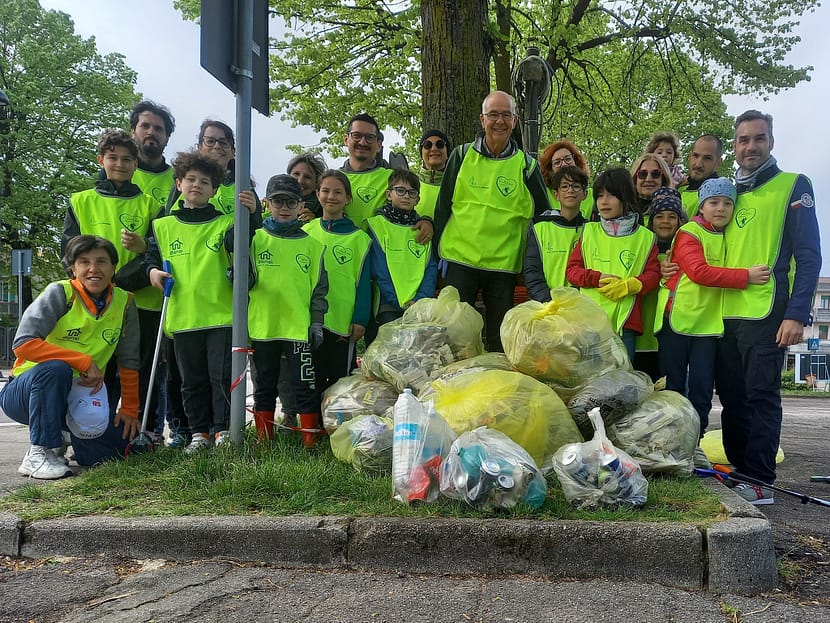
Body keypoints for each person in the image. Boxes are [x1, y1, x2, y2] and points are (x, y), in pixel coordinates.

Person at [713, 110, 821, 505]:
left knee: (762, 396)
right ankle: (740, 473)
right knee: (732, 399)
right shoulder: (726, 193)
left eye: (759, 139)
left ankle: (760, 480)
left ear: (771, 142)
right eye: (743, 140)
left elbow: (809, 257)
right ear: (735, 147)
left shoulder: (793, 186)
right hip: (724, 314)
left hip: (768, 314)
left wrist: (797, 314)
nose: (751, 147)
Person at [0, 235, 141, 478]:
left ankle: (68, 439)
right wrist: (82, 360)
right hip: (27, 391)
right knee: (56, 369)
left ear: (113, 267)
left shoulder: (125, 301)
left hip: (80, 397)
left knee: (118, 449)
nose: (93, 269)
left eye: (102, 261)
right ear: (73, 268)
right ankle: (40, 452)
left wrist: (129, 408)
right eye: (84, 262)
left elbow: (129, 360)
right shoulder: (59, 293)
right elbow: (23, 344)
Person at [655, 178, 771, 470]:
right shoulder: (689, 232)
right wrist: (745, 276)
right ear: (702, 206)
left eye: (727, 203)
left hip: (708, 326)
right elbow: (698, 272)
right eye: (714, 202)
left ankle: (693, 446)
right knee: (674, 389)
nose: (721, 208)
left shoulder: (729, 235)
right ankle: (668, 448)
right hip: (678, 319)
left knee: (702, 391)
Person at [145, 151, 257, 454]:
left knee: (220, 377)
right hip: (183, 316)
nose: (197, 185)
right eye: (190, 179)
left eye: (205, 181)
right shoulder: (163, 225)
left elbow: (244, 243)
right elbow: (151, 259)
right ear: (179, 183)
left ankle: (222, 430)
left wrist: (253, 213)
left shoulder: (226, 223)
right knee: (190, 381)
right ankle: (199, 434)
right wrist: (153, 272)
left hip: (220, 316)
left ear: (215, 189)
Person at [62, 129, 163, 440]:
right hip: (89, 304)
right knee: (94, 368)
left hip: (139, 302)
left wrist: (120, 279)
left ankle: (140, 431)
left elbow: (157, 254)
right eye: (113, 158)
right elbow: (67, 250)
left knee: (138, 370)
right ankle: (87, 430)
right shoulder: (81, 201)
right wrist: (96, 283)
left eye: (127, 159)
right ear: (100, 160)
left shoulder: (150, 206)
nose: (120, 164)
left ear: (136, 164)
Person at [434, 90, 550, 352]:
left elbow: (544, 219)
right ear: (482, 119)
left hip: (503, 265)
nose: (500, 121)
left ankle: (497, 390)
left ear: (515, 121)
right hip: (459, 258)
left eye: (506, 115)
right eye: (493, 115)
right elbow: (443, 207)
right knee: (454, 334)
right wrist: (435, 255)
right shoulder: (461, 155)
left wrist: (533, 265)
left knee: (500, 338)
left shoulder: (527, 166)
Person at [247, 174, 328, 442]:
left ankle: (309, 440)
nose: (284, 208)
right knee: (264, 386)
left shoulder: (314, 246)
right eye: (278, 201)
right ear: (267, 203)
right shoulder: (255, 239)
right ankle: (264, 439)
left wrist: (317, 322)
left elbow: (319, 290)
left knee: (305, 385)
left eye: (290, 202)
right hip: (263, 327)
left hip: (298, 328)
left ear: (300, 205)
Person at [565, 168, 661, 362]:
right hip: (589, 322)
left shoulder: (645, 237)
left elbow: (654, 274)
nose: (604, 201)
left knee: (622, 381)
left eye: (611, 195)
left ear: (625, 198)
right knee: (590, 383)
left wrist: (631, 285)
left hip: (625, 322)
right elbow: (572, 272)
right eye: (600, 195)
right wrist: (596, 278)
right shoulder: (589, 232)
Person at [303, 170, 372, 392]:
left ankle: (335, 425)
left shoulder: (360, 239)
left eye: (338, 192)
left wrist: (360, 319)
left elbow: (364, 283)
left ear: (348, 199)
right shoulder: (305, 232)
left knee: (339, 380)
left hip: (342, 321)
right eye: (325, 191)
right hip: (309, 319)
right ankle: (312, 425)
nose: (331, 196)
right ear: (317, 193)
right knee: (310, 376)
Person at [340, 113, 432, 243]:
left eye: (370, 137)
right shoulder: (333, 180)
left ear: (378, 145)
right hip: (342, 254)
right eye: (357, 136)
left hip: (383, 256)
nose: (362, 142)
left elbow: (411, 207)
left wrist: (426, 221)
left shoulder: (393, 177)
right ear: (346, 139)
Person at [366, 169, 438, 326]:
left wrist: (420, 299)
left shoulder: (423, 229)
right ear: (389, 194)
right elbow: (378, 270)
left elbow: (430, 267)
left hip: (419, 307)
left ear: (418, 199)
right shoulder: (377, 225)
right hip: (387, 305)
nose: (406, 196)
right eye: (400, 190)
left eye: (412, 193)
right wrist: (398, 301)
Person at [634, 186, 687, 380]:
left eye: (672, 216)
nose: (665, 221)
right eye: (659, 216)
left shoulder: (688, 252)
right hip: (641, 338)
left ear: (680, 221)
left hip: (673, 336)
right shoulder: (643, 249)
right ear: (651, 220)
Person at [524, 165, 589, 301]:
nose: (570, 190)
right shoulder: (539, 228)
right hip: (546, 307)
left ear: (585, 194)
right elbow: (532, 272)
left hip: (580, 306)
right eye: (564, 186)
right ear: (556, 194)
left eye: (576, 186)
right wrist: (549, 301)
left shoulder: (591, 231)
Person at [129, 100, 176, 208]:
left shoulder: (178, 178)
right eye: (145, 126)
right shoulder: (116, 170)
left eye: (158, 129)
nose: (151, 132)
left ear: (167, 138)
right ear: (133, 133)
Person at [538, 139, 593, 220]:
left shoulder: (593, 195)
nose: (564, 164)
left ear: (576, 161)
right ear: (550, 170)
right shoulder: (543, 193)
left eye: (567, 159)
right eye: (557, 162)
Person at [678, 134, 724, 217]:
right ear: (690, 156)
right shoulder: (677, 188)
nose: (698, 164)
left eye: (707, 158)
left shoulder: (720, 196)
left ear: (718, 163)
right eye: (695, 156)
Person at [416, 129, 450, 220]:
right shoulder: (409, 184)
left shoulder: (456, 184)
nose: (434, 149)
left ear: (447, 154)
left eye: (440, 144)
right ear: (421, 154)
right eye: (428, 145)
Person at [630, 153, 672, 221]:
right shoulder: (622, 209)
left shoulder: (674, 210)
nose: (648, 179)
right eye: (642, 174)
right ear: (635, 179)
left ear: (663, 179)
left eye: (655, 174)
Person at [287, 152, 327, 222]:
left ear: (316, 184)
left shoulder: (325, 209)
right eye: (296, 174)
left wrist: (315, 222)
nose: (300, 181)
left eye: (307, 177)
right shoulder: (271, 202)